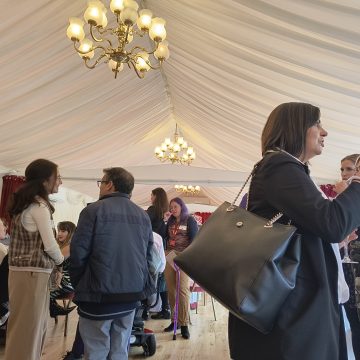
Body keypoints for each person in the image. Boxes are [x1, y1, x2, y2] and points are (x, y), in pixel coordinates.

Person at [228, 102, 360, 360]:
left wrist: (337, 243)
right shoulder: (280, 166)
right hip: (292, 309)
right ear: (296, 127)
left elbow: (318, 229)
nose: (325, 132)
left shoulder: (286, 169)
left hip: (294, 304)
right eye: (317, 123)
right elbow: (332, 223)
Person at [70, 167, 155, 360]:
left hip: (98, 294)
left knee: (96, 349)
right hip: (131, 294)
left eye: (101, 182)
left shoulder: (92, 211)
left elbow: (78, 253)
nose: (100, 187)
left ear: (110, 184)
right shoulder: (142, 216)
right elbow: (149, 256)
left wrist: (79, 282)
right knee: (120, 349)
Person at [5, 159, 64, 360]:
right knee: (30, 329)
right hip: (32, 274)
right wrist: (62, 261)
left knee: (25, 327)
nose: (60, 182)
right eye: (58, 177)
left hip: (25, 273)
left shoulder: (28, 204)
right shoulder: (39, 206)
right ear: (45, 180)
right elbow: (50, 245)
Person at [334, 154, 360, 360]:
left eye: (349, 169)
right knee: (354, 326)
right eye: (342, 169)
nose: (343, 174)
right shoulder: (343, 200)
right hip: (349, 276)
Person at [164, 197, 198, 339]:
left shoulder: (189, 220)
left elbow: (195, 240)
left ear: (181, 207)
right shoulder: (170, 221)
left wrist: (188, 257)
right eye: (171, 207)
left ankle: (184, 324)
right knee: (171, 291)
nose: (172, 209)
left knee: (182, 291)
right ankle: (174, 320)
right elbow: (163, 236)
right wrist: (164, 220)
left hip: (183, 257)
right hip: (170, 256)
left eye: (175, 206)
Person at [146, 187, 171, 320]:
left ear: (156, 196)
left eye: (152, 194)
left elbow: (144, 225)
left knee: (149, 278)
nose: (150, 197)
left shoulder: (152, 210)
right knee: (162, 280)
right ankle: (165, 308)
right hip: (162, 250)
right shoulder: (166, 213)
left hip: (151, 249)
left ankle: (145, 308)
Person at [49, 221, 77, 318]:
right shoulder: (61, 245)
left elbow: (54, 260)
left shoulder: (69, 246)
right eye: (59, 230)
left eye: (63, 231)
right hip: (61, 278)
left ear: (70, 233)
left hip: (67, 281)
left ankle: (52, 308)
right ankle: (53, 308)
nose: (59, 233)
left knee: (42, 290)